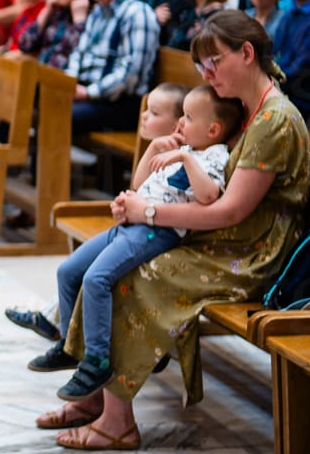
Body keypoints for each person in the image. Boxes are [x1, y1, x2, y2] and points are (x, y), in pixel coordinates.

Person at [46, 10, 310, 450]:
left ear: (247, 53)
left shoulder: (274, 120)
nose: (206, 75)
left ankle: (116, 423)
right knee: (108, 263)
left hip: (250, 253)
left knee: (133, 276)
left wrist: (148, 212)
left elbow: (229, 212)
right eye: (201, 66)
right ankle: (94, 397)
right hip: (224, 238)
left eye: (214, 62)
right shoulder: (248, 108)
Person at [18, 83, 243, 400]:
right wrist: (154, 150)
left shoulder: (213, 156)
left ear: (213, 130)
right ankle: (70, 347)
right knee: (68, 272)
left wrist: (184, 158)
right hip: (130, 225)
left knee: (97, 280)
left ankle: (97, 361)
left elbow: (208, 196)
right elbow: (140, 184)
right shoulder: (186, 148)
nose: (181, 123)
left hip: (154, 232)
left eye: (189, 117)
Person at [63, 0, 159, 134]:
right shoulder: (98, 12)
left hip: (119, 101)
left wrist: (88, 93)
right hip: (88, 90)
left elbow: (130, 75)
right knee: (39, 100)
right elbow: (79, 52)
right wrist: (69, 83)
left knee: (61, 114)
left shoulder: (137, 14)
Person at [14, 0, 88, 69]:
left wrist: (79, 22)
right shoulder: (56, 11)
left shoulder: (90, 16)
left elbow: (79, 57)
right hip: (40, 73)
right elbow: (25, 44)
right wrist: (46, 12)